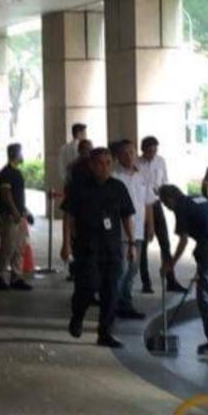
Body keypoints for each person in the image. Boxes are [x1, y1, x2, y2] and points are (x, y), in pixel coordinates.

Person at [60, 148, 136, 348]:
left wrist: (131, 243)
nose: (105, 168)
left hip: (112, 248)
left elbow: (126, 216)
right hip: (87, 247)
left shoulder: (118, 187)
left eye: (108, 163)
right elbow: (68, 217)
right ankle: (78, 316)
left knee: (111, 292)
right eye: (100, 163)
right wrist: (66, 243)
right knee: (88, 286)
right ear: (92, 166)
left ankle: (105, 333)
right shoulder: (79, 187)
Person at [159, 185, 208, 358]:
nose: (167, 208)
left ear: (171, 199)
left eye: (166, 204)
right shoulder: (197, 199)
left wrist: (170, 264)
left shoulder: (181, 207)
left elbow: (183, 241)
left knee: (205, 295)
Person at [112, 140, 157, 320]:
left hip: (138, 230)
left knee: (133, 269)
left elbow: (148, 203)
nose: (129, 156)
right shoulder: (115, 176)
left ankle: (126, 301)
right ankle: (114, 304)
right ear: (118, 156)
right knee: (121, 269)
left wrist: (150, 225)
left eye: (132, 152)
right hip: (121, 232)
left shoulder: (140, 176)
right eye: (125, 153)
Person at [137, 136, 186, 295]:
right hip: (143, 205)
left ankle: (171, 279)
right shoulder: (137, 163)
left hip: (157, 203)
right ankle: (146, 282)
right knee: (143, 245)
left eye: (155, 150)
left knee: (165, 242)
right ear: (143, 150)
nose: (152, 154)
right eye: (149, 151)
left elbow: (165, 180)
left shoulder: (160, 161)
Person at [0, 143, 33, 292]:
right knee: (8, 247)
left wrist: (25, 212)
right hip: (7, 216)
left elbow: (18, 197)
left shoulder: (17, 173)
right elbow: (6, 194)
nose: (23, 155)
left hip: (18, 216)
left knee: (19, 247)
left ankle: (16, 276)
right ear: (15, 154)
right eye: (21, 152)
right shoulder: (6, 173)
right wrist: (15, 212)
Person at [61, 139, 93, 282]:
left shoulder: (93, 165)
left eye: (89, 149)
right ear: (80, 150)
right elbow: (68, 185)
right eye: (85, 149)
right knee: (77, 244)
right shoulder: (74, 167)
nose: (88, 152)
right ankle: (75, 271)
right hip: (78, 210)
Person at [56, 123, 87, 195]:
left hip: (68, 183)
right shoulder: (83, 148)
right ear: (79, 133)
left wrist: (65, 180)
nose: (85, 136)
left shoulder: (63, 148)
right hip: (81, 184)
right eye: (84, 133)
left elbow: (60, 167)